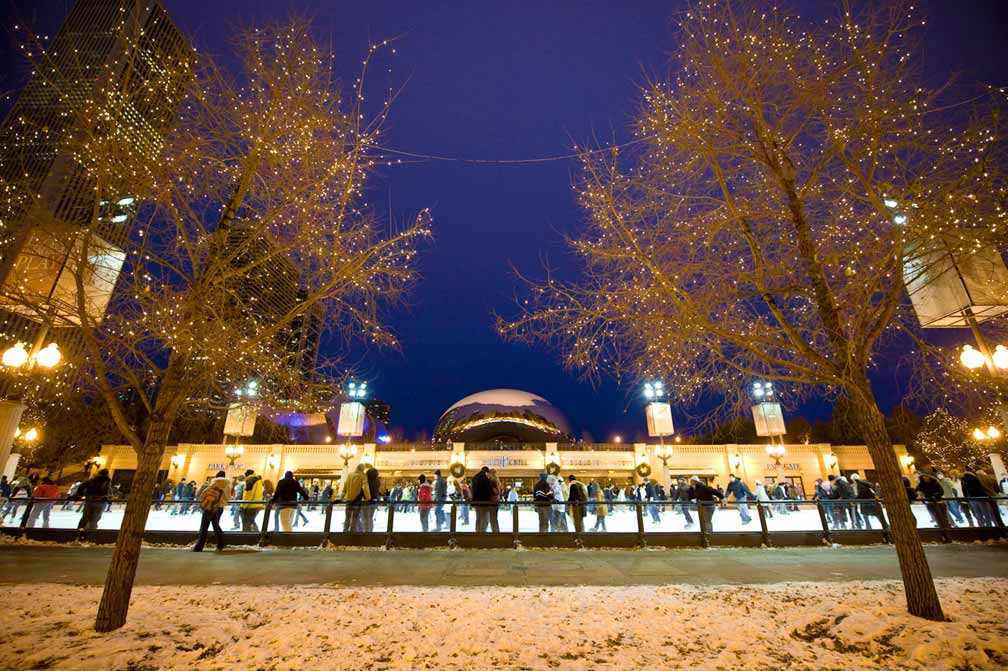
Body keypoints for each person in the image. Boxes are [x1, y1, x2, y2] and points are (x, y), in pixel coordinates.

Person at [193, 470, 230, 551]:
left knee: (204, 527)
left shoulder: (215, 483)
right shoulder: (227, 485)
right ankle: (221, 544)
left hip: (211, 507)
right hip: (220, 508)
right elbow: (228, 497)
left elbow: (204, 493)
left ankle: (199, 546)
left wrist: (205, 499)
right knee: (216, 526)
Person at [76, 468, 111, 533]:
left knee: (85, 517)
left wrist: (80, 494)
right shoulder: (107, 481)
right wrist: (107, 497)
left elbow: (82, 486)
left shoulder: (93, 480)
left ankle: (80, 531)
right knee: (95, 518)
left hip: (90, 499)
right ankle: (91, 532)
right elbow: (108, 491)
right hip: (100, 500)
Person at [342, 464, 371, 532]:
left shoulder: (350, 475)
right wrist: (368, 498)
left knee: (347, 517)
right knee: (355, 517)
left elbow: (345, 487)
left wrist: (341, 498)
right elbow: (365, 488)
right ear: (363, 469)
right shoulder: (363, 476)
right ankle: (352, 529)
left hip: (348, 500)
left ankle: (345, 529)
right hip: (357, 500)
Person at [470, 466, 495, 532]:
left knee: (478, 518)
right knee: (485, 519)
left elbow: (472, 489)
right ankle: (482, 532)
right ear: (486, 472)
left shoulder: (474, 477)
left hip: (476, 501)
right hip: (483, 502)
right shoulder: (484, 478)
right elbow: (488, 490)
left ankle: (477, 531)